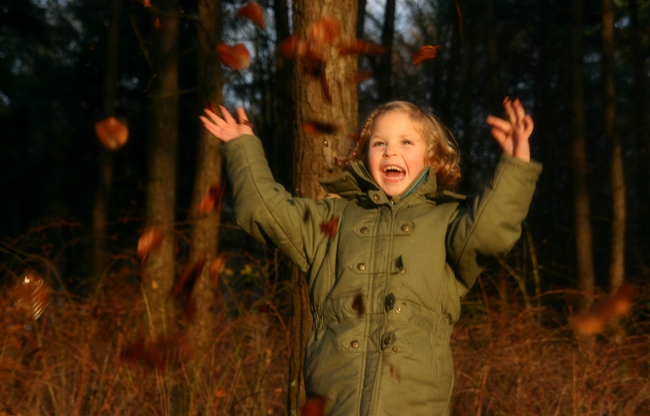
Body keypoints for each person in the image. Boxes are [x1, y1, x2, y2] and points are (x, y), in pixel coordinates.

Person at [200, 98, 541, 416]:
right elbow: (264, 210)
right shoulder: (330, 220)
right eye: (379, 143)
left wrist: (516, 166)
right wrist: (242, 146)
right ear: (364, 156)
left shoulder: (447, 223)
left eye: (407, 142)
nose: (391, 151)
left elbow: (491, 232)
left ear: (433, 157)